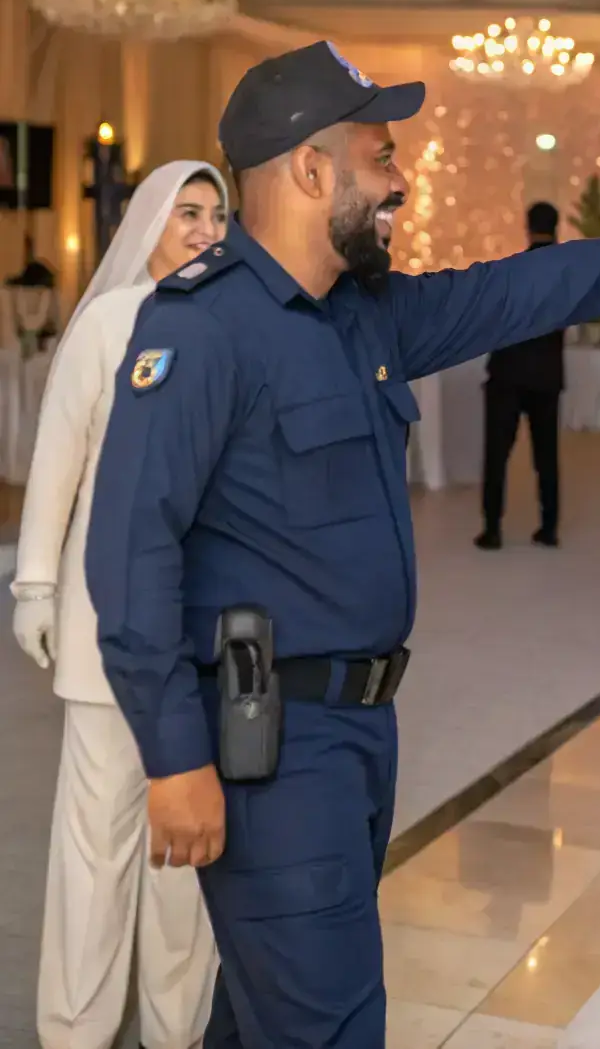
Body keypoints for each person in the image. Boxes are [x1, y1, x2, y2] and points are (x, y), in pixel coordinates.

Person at [84, 40, 600, 1049]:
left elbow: (520, 291)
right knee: (325, 1026)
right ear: (309, 170)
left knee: (260, 1024)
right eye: (381, 158)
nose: (401, 182)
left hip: (358, 734)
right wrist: (173, 760)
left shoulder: (363, 316)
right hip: (268, 746)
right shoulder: (204, 329)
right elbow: (129, 552)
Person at [12, 162, 227, 1049]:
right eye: (188, 213)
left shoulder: (228, 325)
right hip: (106, 634)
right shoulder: (107, 322)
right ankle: (76, 1031)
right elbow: (56, 463)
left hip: (200, 631)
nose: (206, 230)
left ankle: (176, 1029)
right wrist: (34, 584)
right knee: (97, 855)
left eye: (218, 215)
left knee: (187, 865)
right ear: (148, 222)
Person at [476, 200, 564, 550]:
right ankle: (549, 526)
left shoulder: (513, 269)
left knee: (497, 454)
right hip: (547, 376)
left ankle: (492, 529)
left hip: (509, 374)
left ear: (527, 227)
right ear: (557, 227)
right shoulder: (565, 274)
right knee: (547, 457)